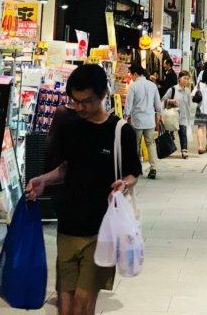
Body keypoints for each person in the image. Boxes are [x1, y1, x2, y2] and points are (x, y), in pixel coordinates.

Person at [25, 64, 141, 315]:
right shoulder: (70, 126)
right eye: (75, 101)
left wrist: (125, 183)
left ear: (103, 95)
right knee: (65, 307)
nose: (80, 107)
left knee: (81, 305)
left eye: (86, 101)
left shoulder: (121, 132)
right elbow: (66, 168)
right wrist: (44, 180)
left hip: (101, 231)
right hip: (67, 227)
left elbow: (133, 173)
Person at [123, 63, 162, 179]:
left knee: (136, 144)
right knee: (151, 143)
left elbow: (129, 104)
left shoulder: (133, 87)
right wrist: (159, 114)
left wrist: (125, 116)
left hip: (137, 120)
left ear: (135, 74)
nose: (131, 76)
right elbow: (157, 103)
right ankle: (153, 168)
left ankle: (136, 168)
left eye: (131, 74)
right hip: (149, 119)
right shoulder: (152, 85)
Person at [162, 69, 193, 159]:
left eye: (187, 79)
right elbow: (163, 100)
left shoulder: (187, 91)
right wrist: (170, 101)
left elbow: (188, 104)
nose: (186, 81)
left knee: (183, 133)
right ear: (179, 78)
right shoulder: (172, 89)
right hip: (172, 116)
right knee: (169, 133)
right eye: (184, 78)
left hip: (183, 116)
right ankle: (167, 149)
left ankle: (184, 151)